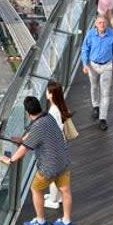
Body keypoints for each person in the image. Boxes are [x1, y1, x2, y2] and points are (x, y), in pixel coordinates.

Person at [1, 96, 73, 225]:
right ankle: (66, 222)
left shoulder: (37, 127)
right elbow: (36, 135)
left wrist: (10, 160)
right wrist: (22, 139)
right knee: (65, 191)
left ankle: (40, 222)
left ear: (27, 113)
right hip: (64, 161)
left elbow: (24, 149)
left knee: (36, 189)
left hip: (49, 167)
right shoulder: (48, 117)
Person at [81, 14, 113, 130]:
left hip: (107, 65)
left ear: (107, 23)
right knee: (94, 87)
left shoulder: (111, 34)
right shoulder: (90, 34)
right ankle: (95, 106)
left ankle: (103, 118)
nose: (102, 25)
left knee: (105, 92)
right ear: (95, 24)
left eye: (103, 22)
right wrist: (85, 63)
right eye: (99, 23)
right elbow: (84, 49)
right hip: (93, 65)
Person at [42, 80, 73, 210]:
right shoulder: (60, 106)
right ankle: (57, 196)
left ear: (51, 95)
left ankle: (53, 199)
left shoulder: (53, 111)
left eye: (47, 92)